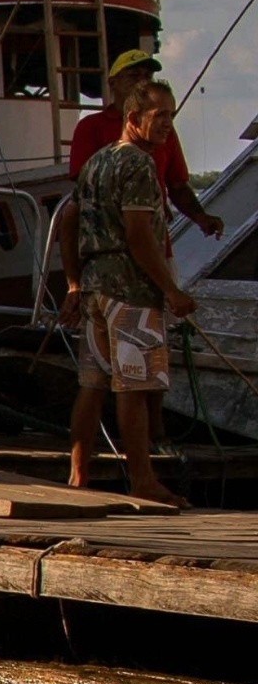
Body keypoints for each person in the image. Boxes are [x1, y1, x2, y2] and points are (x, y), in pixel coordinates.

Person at [61, 72, 198, 503]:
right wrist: (171, 291)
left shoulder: (99, 160)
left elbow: (68, 220)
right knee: (134, 387)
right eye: (160, 116)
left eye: (171, 117)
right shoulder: (138, 163)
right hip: (130, 290)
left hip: (96, 287)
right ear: (134, 117)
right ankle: (142, 480)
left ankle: (78, 474)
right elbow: (140, 234)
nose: (167, 126)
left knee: (93, 383)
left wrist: (73, 282)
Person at [67, 49, 224, 238]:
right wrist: (142, 202)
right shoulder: (90, 127)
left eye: (147, 76)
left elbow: (177, 186)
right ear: (112, 83)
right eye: (133, 76)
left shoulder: (163, 130)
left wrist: (201, 218)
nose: (142, 81)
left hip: (156, 241)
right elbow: (84, 185)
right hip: (109, 241)